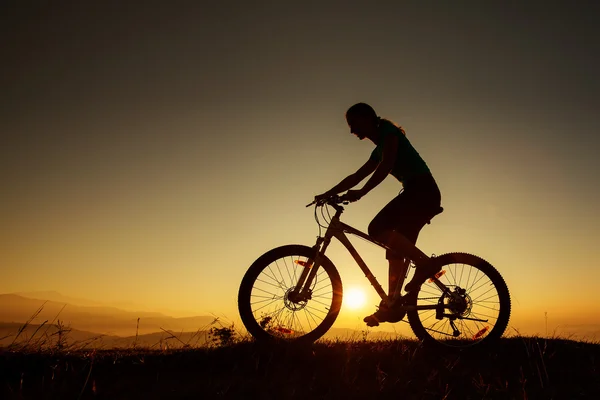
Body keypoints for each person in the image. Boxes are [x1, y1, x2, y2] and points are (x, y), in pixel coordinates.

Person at [314, 103, 442, 327]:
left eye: (354, 124)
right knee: (395, 247)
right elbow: (357, 175)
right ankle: (393, 304)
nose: (352, 130)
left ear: (368, 118)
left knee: (377, 228)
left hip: (422, 192)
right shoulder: (379, 147)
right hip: (417, 193)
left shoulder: (389, 135)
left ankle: (425, 264)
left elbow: (387, 165)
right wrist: (328, 193)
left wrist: (362, 192)